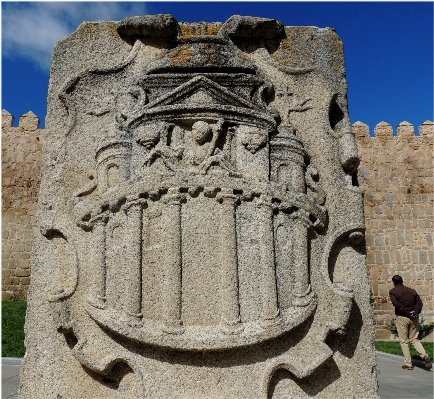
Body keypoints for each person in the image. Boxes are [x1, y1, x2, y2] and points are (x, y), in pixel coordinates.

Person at [389, 275, 432, 370]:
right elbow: (419, 303)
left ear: (393, 282)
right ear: (402, 281)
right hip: (414, 317)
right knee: (414, 339)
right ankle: (424, 356)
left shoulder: (393, 292)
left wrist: (407, 313)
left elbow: (396, 304)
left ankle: (408, 363)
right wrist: (415, 312)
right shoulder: (412, 291)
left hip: (402, 317)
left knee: (404, 341)